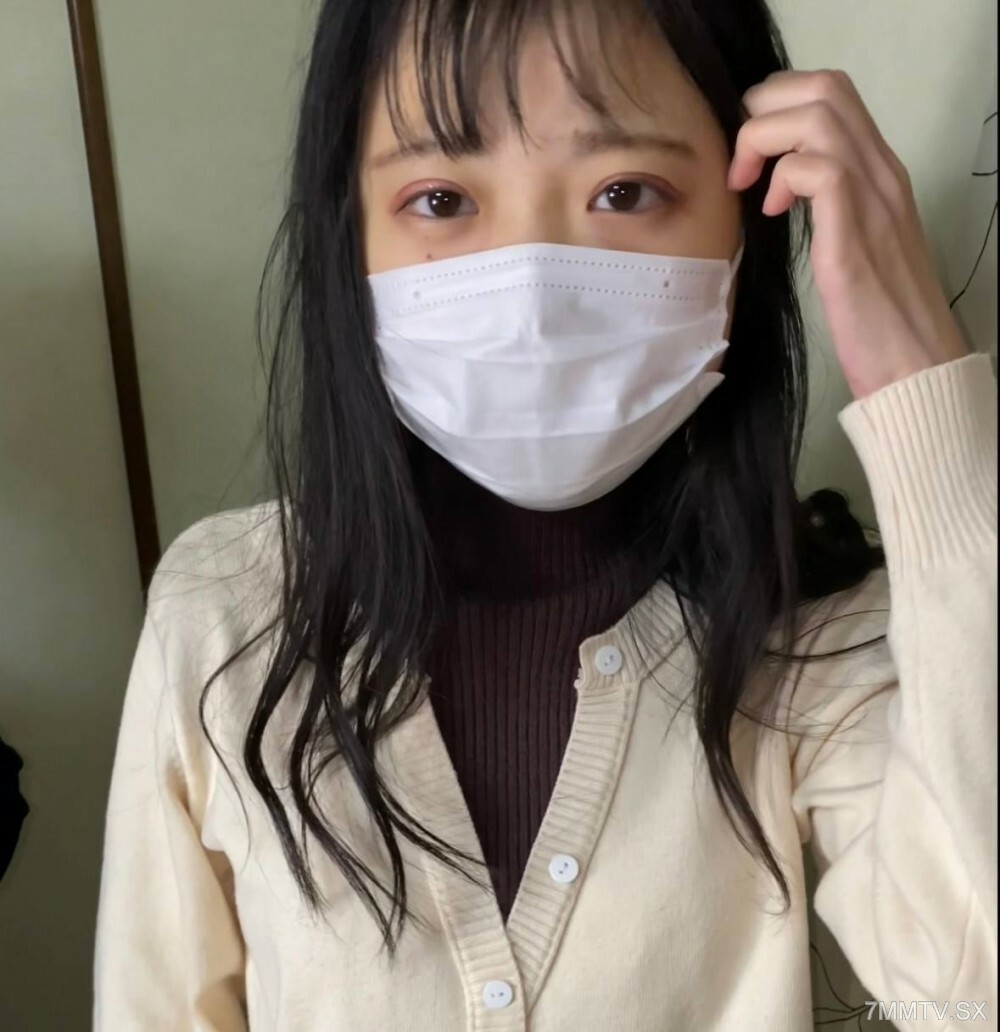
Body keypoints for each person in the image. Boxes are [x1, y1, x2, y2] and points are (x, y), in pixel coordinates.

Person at [93, 1, 997, 1029]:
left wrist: (919, 379)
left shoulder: (809, 636)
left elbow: (972, 996)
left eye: (625, 191)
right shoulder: (225, 607)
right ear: (352, 235)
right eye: (440, 199)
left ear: (746, 227)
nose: (533, 292)